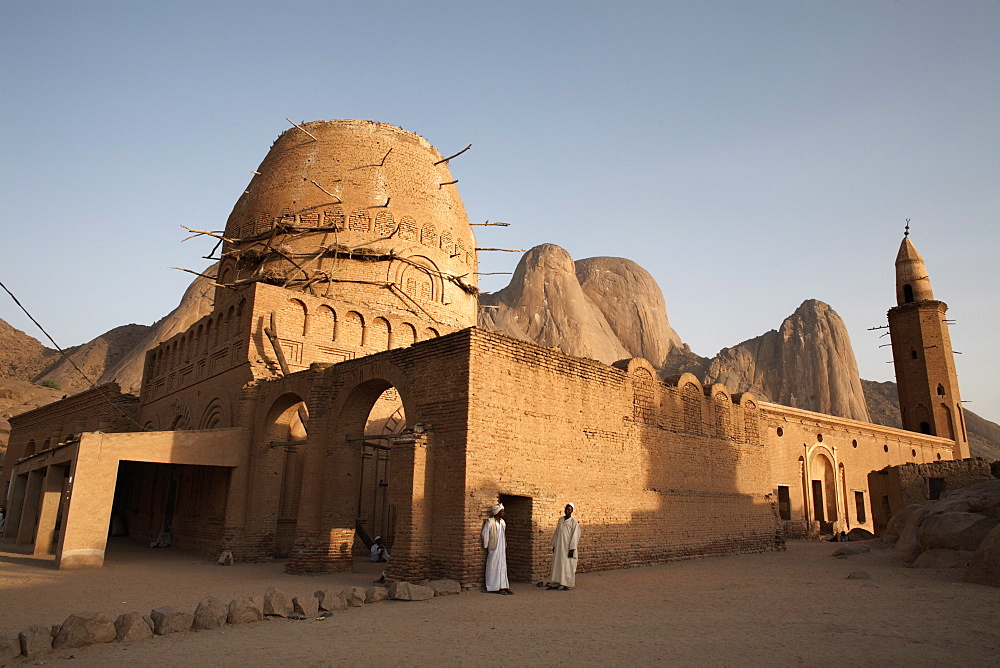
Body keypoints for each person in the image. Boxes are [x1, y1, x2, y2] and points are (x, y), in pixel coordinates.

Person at [546, 503, 581, 590]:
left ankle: (566, 584)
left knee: (567, 565)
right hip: (559, 546)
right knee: (557, 564)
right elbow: (557, 533)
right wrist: (554, 545)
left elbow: (575, 536)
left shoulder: (574, 522)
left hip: (567, 547)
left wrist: (572, 548)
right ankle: (556, 582)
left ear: (572, 511)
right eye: (566, 509)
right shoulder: (561, 520)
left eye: (569, 509)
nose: (567, 511)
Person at [481, 503, 513, 595]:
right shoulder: (490, 522)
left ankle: (503, 586)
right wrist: (486, 545)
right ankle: (493, 586)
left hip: (501, 547)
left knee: (502, 566)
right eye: (502, 511)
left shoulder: (502, 522)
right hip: (494, 547)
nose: (503, 513)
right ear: (497, 513)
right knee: (493, 566)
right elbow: (485, 533)